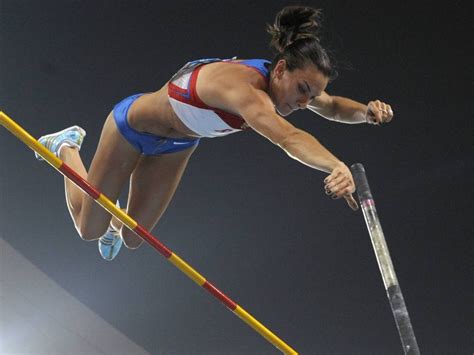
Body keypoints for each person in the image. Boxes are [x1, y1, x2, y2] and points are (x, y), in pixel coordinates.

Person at [35, 6, 393, 261]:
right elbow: (287, 137)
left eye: (310, 95)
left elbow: (331, 106)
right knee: (88, 228)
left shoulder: (289, 88)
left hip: (176, 146)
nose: (305, 102)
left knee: (132, 238)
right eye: (302, 90)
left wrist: (365, 112)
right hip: (132, 127)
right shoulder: (245, 91)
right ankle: (66, 145)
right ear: (280, 69)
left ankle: (115, 218)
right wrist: (335, 165)